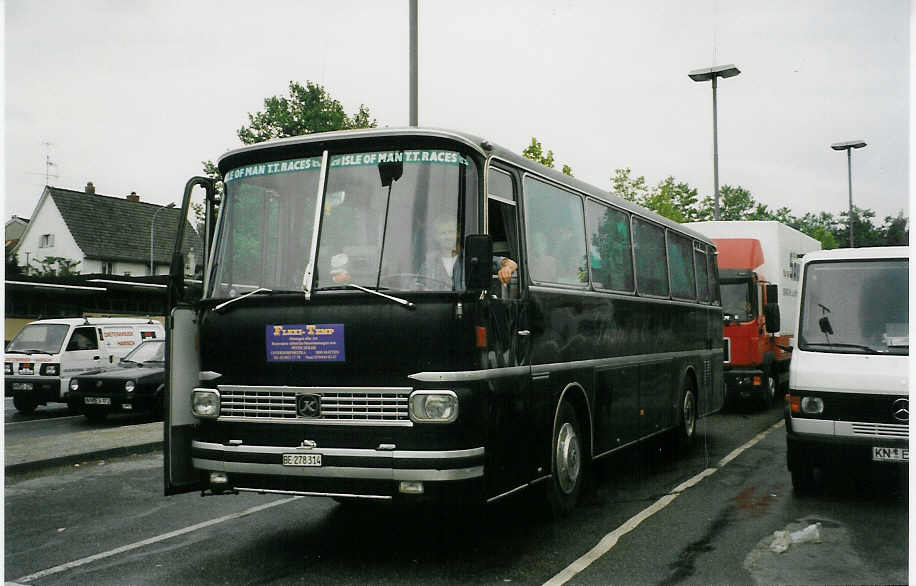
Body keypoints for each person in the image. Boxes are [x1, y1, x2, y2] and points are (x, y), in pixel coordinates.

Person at [420, 215, 518, 288]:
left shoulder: (473, 257)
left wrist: (507, 268)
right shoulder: (429, 262)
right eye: (442, 233)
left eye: (451, 232)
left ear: (458, 233)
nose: (448, 237)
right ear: (436, 237)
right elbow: (418, 286)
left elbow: (512, 264)